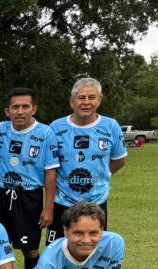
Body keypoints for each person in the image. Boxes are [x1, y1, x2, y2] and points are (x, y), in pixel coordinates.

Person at [0, 88, 60, 269]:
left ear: (33, 109)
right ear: (7, 111)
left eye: (25, 106)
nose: (20, 111)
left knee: (30, 248)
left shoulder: (45, 133)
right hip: (0, 194)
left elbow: (50, 172)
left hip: (29, 197)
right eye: (15, 107)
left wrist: (48, 207)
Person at [47, 77, 127, 244]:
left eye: (91, 97)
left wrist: (101, 176)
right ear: (72, 101)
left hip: (97, 202)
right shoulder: (56, 127)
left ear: (99, 100)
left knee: (91, 248)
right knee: (56, 249)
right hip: (63, 202)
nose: (86, 102)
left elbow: (119, 161)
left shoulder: (111, 126)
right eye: (81, 97)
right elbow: (51, 168)